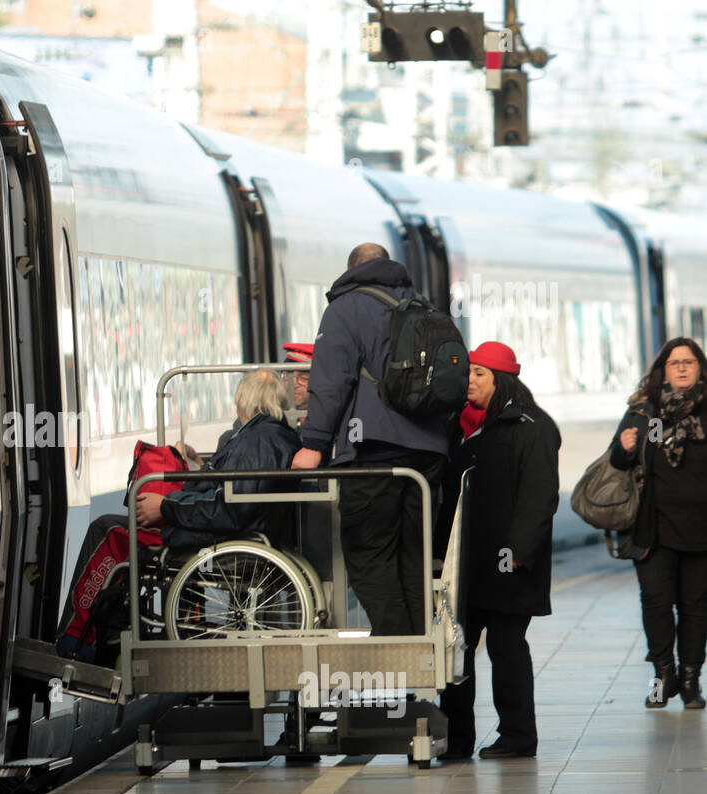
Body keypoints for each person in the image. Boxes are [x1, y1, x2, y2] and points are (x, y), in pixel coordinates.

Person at [55, 369, 301, 663]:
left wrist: (166, 506)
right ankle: (108, 630)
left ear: (243, 402)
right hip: (228, 530)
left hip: (217, 535)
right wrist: (196, 467)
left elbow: (229, 509)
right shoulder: (271, 436)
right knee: (122, 530)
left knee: (108, 531)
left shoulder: (256, 442)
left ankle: (76, 637)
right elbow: (231, 494)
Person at [291, 243, 449, 637]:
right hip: (428, 455)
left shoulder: (345, 308)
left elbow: (331, 383)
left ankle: (394, 651)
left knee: (368, 556)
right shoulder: (425, 307)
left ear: (351, 271)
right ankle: (416, 654)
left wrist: (313, 445)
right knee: (413, 557)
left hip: (372, 451)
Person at [436, 342, 560, 760]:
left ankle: (518, 736)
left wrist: (517, 553)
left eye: (479, 374)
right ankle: (456, 740)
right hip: (463, 563)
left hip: (507, 563)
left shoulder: (532, 427)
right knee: (456, 650)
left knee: (506, 650)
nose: (468, 381)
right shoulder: (460, 426)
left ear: (502, 380)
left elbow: (539, 497)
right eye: (468, 372)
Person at [609, 336, 707, 709]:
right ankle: (662, 677)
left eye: (689, 361)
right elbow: (617, 462)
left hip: (701, 527)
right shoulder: (648, 413)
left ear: (700, 368)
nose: (682, 367)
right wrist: (626, 448)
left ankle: (690, 680)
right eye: (674, 362)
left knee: (696, 606)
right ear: (662, 370)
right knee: (656, 602)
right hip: (654, 526)